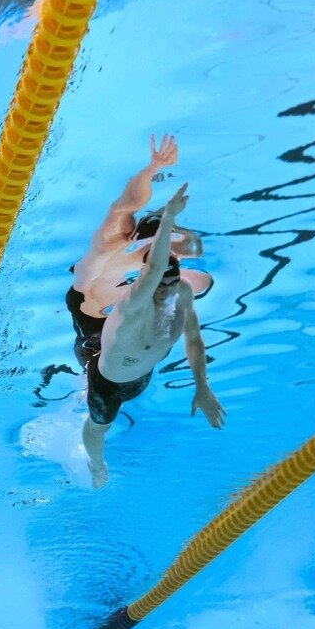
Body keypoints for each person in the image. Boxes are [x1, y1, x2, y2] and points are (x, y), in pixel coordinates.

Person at [81, 184, 225, 485]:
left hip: (140, 376)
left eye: (171, 283)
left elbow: (195, 339)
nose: (165, 290)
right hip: (107, 382)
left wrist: (203, 387)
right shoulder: (135, 301)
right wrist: (169, 216)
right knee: (98, 427)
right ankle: (96, 465)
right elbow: (157, 266)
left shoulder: (182, 292)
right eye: (158, 282)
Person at [67, 135, 212, 368]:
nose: (176, 257)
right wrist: (152, 169)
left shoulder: (161, 264)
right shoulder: (109, 245)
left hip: (122, 330)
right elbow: (124, 205)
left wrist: (154, 169)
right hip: (95, 339)